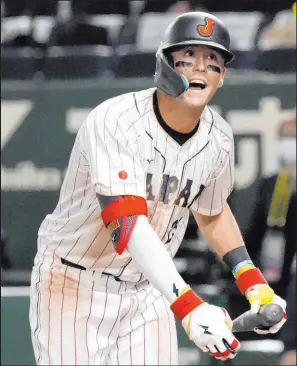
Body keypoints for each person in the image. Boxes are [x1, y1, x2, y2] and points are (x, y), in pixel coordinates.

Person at [29, 12, 287, 365]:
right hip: (75, 281)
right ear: (165, 64)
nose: (200, 69)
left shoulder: (219, 139)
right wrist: (189, 305)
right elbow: (127, 224)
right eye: (188, 59)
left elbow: (211, 211)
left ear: (222, 77)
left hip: (147, 286)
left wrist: (253, 282)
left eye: (212, 61)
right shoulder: (116, 119)